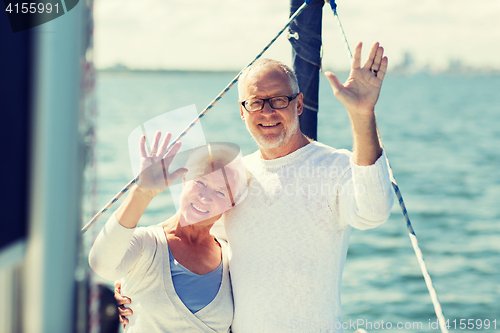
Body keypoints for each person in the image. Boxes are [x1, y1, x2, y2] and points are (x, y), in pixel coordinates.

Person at [117, 42, 394, 332]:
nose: (267, 111)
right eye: (256, 102)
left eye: (278, 100)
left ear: (299, 104)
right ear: (242, 111)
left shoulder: (334, 166)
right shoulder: (234, 178)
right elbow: (187, 239)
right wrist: (130, 280)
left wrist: (363, 115)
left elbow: (373, 212)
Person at [89, 132, 247, 332]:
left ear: (231, 204)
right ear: (183, 180)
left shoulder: (231, 257)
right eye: (200, 182)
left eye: (220, 192)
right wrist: (143, 192)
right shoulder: (147, 243)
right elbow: (101, 264)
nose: (205, 197)